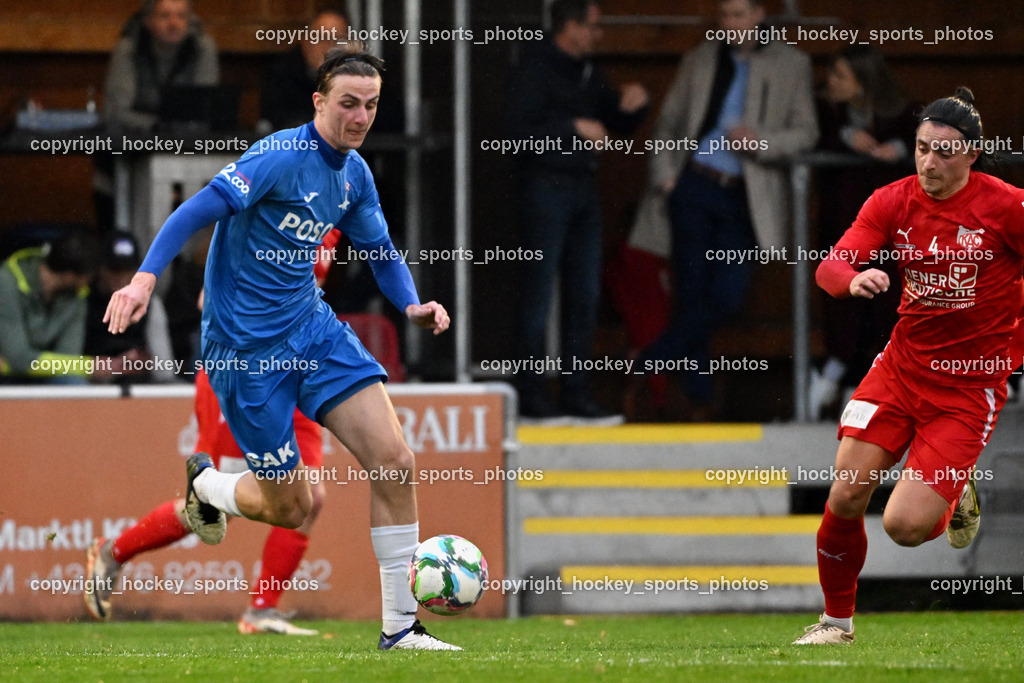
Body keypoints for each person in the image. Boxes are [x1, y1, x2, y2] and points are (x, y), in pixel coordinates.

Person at [103, 42, 458, 650]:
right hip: (247, 355)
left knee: (396, 463)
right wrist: (145, 277)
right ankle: (210, 488)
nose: (361, 117)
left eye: (371, 106)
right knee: (291, 507)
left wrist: (411, 304)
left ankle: (400, 629)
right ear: (319, 101)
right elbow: (195, 210)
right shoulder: (276, 156)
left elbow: (381, 251)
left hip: (314, 332)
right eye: (349, 103)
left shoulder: (356, 174)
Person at [794, 88, 1023, 644]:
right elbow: (832, 264)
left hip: (968, 390)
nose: (929, 162)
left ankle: (952, 495)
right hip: (900, 370)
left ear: (972, 154)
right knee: (846, 493)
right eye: (922, 148)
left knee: (903, 527)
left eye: (944, 151)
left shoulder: (1007, 207)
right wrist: (851, 279)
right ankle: (836, 625)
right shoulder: (891, 201)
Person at [628, 0, 817, 420]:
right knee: (690, 292)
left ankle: (651, 360)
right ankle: (699, 399)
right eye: (724, 16)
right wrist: (667, 175)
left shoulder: (791, 64)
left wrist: (761, 140)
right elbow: (669, 123)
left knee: (728, 295)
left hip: (745, 194)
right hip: (694, 184)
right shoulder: (701, 59)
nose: (729, 24)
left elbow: (806, 131)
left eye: (737, 15)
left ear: (758, 15)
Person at [506, 0, 649, 421]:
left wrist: (636, 104)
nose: (598, 35)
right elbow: (517, 133)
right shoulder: (535, 68)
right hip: (545, 187)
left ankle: (576, 393)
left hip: (584, 188)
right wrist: (571, 129)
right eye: (593, 27)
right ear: (569, 27)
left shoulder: (588, 71)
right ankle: (530, 396)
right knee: (538, 295)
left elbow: (613, 120)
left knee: (584, 293)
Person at [809, 45, 918, 418]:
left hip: (890, 232)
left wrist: (901, 149)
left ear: (863, 80)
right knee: (843, 304)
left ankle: (861, 390)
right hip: (841, 228)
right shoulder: (825, 110)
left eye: (840, 76)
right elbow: (812, 139)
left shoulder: (906, 112)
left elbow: (931, 140)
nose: (832, 83)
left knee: (885, 303)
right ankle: (839, 375)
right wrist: (844, 139)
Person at [94, 0, 219, 229]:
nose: (174, 23)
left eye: (181, 16)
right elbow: (116, 112)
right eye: (165, 16)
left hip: (187, 151)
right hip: (132, 151)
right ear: (148, 21)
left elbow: (207, 107)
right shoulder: (129, 48)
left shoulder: (202, 48)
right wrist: (158, 125)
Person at [0, 233, 107, 383]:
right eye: (88, 277)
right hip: (6, 376)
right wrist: (87, 366)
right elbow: (18, 357)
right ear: (70, 275)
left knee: (73, 382)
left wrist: (76, 366)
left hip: (42, 374)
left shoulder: (77, 296)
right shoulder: (6, 282)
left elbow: (69, 357)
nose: (88, 284)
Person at [84, 231, 177, 382]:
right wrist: (103, 365)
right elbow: (65, 361)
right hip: (89, 387)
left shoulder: (151, 303)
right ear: (101, 269)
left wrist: (146, 362)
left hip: (139, 386)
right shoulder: (84, 300)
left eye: (128, 270)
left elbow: (165, 370)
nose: (121, 277)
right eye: (115, 270)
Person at [259, 7, 350, 131]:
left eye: (338, 40)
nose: (328, 47)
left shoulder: (365, 79)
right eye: (321, 38)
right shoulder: (282, 76)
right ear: (305, 42)